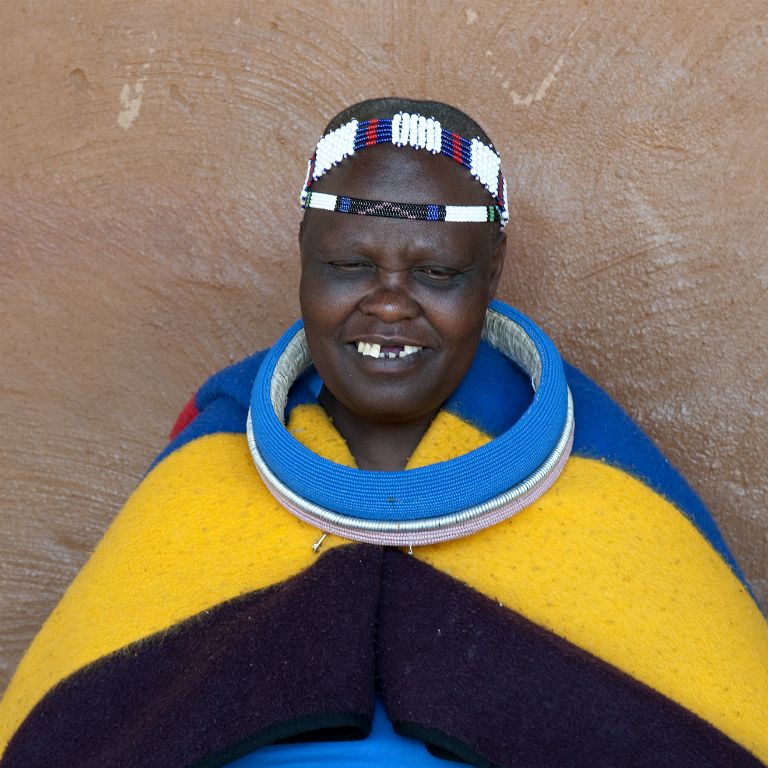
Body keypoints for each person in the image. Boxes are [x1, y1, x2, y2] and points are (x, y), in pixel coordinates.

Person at [0, 98, 766, 768]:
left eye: (436, 274)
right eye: (346, 264)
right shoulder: (214, 460)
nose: (390, 304)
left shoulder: (600, 474)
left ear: (493, 271)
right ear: (300, 256)